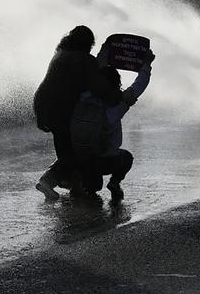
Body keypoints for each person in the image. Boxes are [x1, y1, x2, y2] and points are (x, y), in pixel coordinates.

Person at [33, 26, 126, 200]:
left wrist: (104, 53)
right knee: (73, 153)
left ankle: (66, 184)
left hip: (44, 106)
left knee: (65, 150)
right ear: (88, 44)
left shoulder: (60, 54)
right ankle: (53, 182)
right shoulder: (84, 59)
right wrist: (119, 96)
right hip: (63, 111)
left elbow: (89, 70)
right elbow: (98, 85)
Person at [74, 51, 155, 202]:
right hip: (105, 159)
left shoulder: (84, 97)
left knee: (92, 187)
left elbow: (92, 76)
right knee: (127, 157)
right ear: (117, 83)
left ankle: (82, 184)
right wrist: (146, 65)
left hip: (82, 157)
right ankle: (114, 183)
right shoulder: (118, 104)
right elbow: (138, 86)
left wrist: (104, 53)